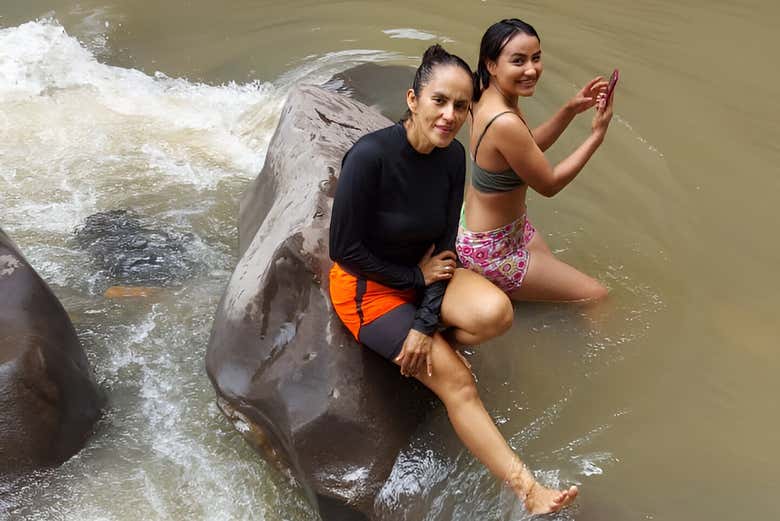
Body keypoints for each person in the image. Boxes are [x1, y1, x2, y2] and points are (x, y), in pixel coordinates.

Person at [329, 44, 577, 514]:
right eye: (439, 101)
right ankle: (529, 491)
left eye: (461, 106)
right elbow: (343, 250)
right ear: (412, 99)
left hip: (425, 275)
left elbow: (445, 247)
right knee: (459, 382)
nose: (450, 115)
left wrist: (424, 325)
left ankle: (432, 341)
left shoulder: (451, 157)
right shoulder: (369, 158)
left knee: (497, 313)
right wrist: (411, 278)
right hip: (367, 288)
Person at [457, 18, 615, 303]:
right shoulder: (504, 121)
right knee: (596, 296)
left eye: (536, 58)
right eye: (518, 61)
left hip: (492, 230)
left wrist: (569, 110)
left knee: (556, 274)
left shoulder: (483, 95)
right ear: (491, 65)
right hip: (492, 251)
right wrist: (596, 136)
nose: (531, 69)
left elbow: (524, 148)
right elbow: (549, 184)